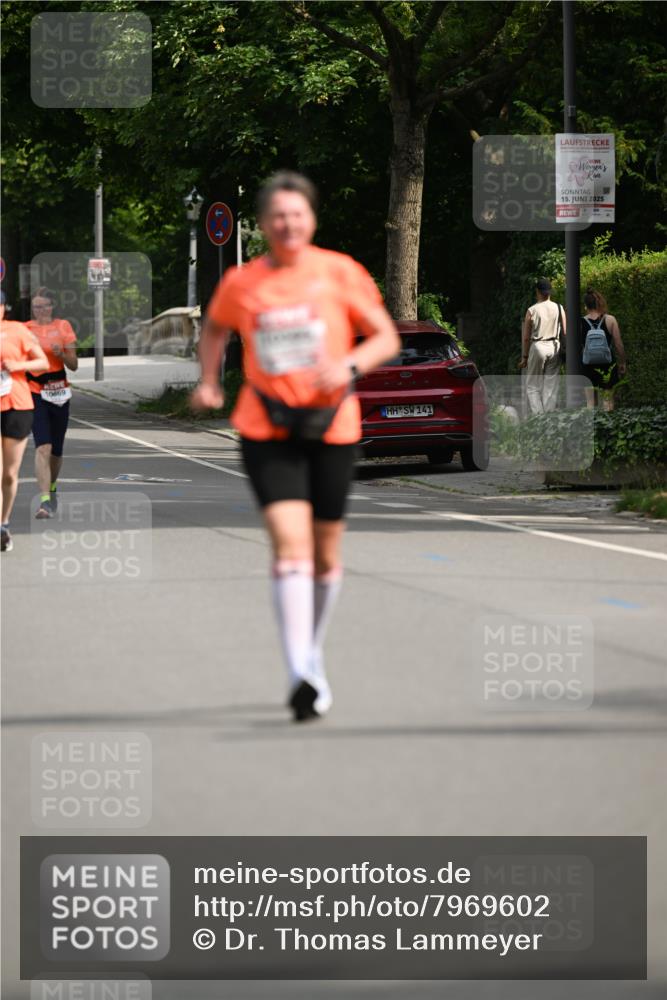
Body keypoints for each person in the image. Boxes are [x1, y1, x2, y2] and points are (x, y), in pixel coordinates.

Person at [190, 171, 400, 722]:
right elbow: (212, 329)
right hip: (266, 426)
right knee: (290, 546)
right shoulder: (242, 282)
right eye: (277, 216)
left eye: (297, 214)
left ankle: (313, 654)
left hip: (332, 426)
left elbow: (385, 336)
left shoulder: (339, 272)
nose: (288, 224)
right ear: (262, 225)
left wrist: (349, 364)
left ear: (312, 219)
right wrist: (210, 381)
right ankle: (300, 673)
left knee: (327, 554)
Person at [1, 290, 49, 552]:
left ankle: (3, 524)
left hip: (16, 406)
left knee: (9, 474)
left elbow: (41, 362)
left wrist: (17, 366)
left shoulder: (18, 331)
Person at [25, 287, 78, 518]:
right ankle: (45, 501)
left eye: (44, 306)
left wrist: (61, 354)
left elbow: (74, 364)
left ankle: (52, 488)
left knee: (56, 451)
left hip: (58, 393)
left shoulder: (63, 327)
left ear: (51, 307)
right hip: (34, 391)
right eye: (36, 306)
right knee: (42, 447)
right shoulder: (25, 330)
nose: (40, 310)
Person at [519, 278, 566, 414]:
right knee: (551, 386)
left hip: (538, 346)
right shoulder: (559, 307)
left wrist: (525, 357)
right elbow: (565, 332)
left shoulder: (532, 310)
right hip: (555, 347)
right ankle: (549, 418)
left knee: (533, 386)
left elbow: (526, 337)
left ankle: (539, 417)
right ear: (550, 292)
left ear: (537, 292)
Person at [580, 288, 627, 411]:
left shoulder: (580, 322)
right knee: (608, 400)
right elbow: (618, 344)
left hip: (588, 365)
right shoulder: (610, 320)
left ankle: (593, 428)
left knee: (590, 403)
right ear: (598, 302)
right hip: (608, 365)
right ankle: (608, 428)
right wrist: (622, 362)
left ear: (586, 306)